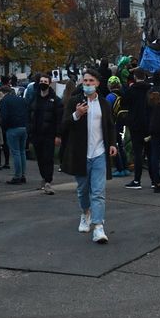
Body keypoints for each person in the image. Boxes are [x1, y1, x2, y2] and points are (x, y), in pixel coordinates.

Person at [58, 68, 116, 244]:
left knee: (98, 192)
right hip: (80, 153)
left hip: (99, 153)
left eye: (91, 81)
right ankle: (86, 214)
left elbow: (110, 125)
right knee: (83, 190)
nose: (88, 84)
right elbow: (64, 125)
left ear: (98, 83)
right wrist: (77, 114)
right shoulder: (75, 101)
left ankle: (98, 227)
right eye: (85, 81)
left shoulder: (104, 104)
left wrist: (112, 144)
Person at [28, 73, 62, 195]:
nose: (43, 83)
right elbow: (30, 115)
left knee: (48, 158)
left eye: (45, 82)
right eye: (41, 81)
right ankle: (44, 177)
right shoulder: (35, 98)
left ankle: (48, 181)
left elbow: (59, 119)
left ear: (49, 83)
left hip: (49, 134)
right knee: (40, 158)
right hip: (36, 134)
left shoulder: (56, 100)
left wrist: (58, 135)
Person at [122, 68, 151, 189]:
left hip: (135, 124)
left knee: (138, 153)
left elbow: (124, 104)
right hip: (149, 124)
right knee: (150, 153)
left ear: (135, 77)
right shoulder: (150, 89)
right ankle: (155, 180)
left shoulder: (131, 90)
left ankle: (137, 180)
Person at [0, 84, 30, 185]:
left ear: (2, 93)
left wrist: (4, 128)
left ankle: (17, 176)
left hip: (12, 128)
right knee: (22, 152)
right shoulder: (21, 100)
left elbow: (4, 116)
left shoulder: (4, 101)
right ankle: (23, 175)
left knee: (15, 152)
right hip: (23, 127)